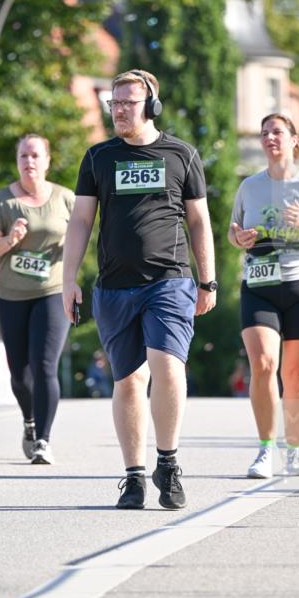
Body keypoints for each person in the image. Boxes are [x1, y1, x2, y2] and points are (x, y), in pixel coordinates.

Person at [62, 69, 217, 511]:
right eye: (115, 103)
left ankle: (167, 464)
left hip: (169, 280)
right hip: (113, 286)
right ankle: (133, 476)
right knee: (128, 380)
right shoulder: (97, 157)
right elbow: (80, 222)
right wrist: (68, 279)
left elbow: (199, 221)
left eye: (129, 103)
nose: (120, 111)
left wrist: (207, 279)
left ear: (151, 106)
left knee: (167, 367)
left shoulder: (181, 155)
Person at [228, 113, 299, 479]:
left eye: (277, 132)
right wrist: (238, 238)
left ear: (294, 140)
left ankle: (296, 450)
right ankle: (265, 449)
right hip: (259, 286)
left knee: (295, 374)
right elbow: (234, 231)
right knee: (262, 365)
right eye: (264, 133)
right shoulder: (249, 186)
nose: (269, 138)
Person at [0, 134, 74, 465]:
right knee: (20, 375)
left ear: (47, 161)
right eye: (23, 155)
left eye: (36, 155)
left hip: (52, 291)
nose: (29, 161)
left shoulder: (65, 198)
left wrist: (72, 264)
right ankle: (30, 421)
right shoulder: (3, 202)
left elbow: (86, 236)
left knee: (45, 365)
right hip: (12, 294)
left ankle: (43, 441)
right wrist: (10, 239)